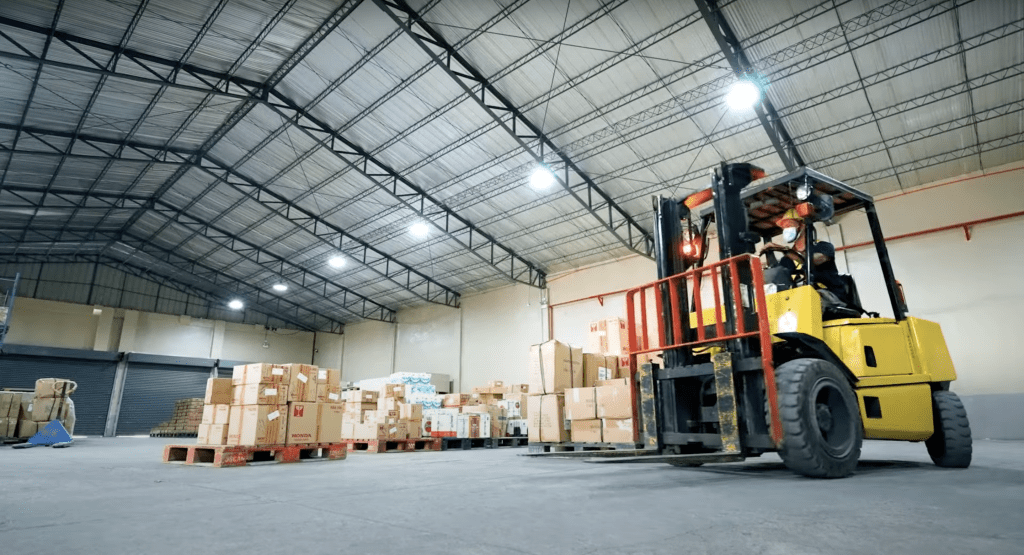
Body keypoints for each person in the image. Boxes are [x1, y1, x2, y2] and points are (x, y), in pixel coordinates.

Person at [759, 209, 845, 298]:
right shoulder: (786, 260)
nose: (786, 229)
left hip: (831, 297)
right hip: (802, 299)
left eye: (789, 225)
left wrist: (784, 249)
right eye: (784, 227)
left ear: (802, 225)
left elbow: (813, 260)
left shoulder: (824, 247)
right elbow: (779, 278)